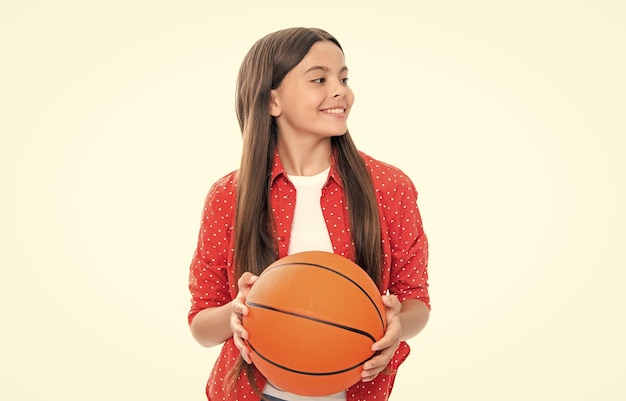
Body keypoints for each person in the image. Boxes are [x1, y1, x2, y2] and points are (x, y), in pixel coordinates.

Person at [187, 27, 430, 401]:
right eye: (320, 78)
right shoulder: (228, 196)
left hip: (359, 392)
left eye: (344, 78)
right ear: (272, 101)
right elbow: (201, 325)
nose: (341, 91)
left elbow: (416, 302)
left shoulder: (389, 186)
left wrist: (394, 324)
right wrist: (235, 313)